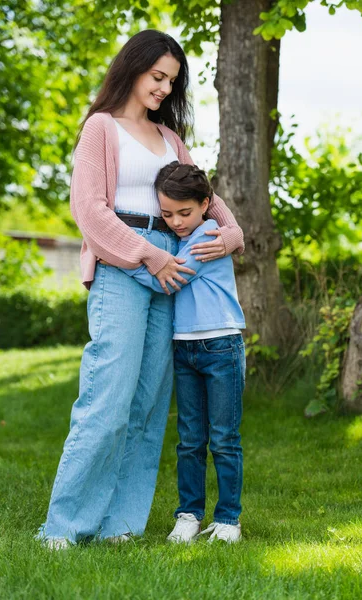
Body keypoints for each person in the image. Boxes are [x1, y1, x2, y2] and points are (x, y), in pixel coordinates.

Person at [37, 30, 244, 549]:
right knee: (106, 399)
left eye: (171, 82)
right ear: (133, 67)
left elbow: (207, 199)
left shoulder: (171, 140)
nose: (163, 88)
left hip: (169, 269)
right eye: (157, 77)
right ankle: (62, 527)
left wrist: (234, 233)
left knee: (149, 407)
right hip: (124, 261)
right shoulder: (100, 129)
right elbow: (88, 209)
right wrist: (147, 254)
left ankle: (120, 526)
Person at [124, 162, 246, 543]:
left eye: (184, 212)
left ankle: (228, 520)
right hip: (186, 348)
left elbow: (170, 279)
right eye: (167, 214)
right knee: (191, 438)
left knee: (224, 438)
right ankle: (189, 515)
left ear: (206, 204)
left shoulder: (209, 233)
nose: (175, 221)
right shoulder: (183, 237)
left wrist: (121, 260)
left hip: (221, 346)